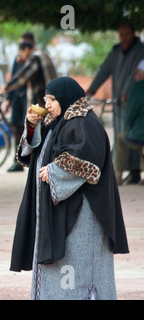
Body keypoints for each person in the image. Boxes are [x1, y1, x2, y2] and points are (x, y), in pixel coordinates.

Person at [10, 77, 129, 299]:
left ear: (65, 98)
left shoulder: (84, 123)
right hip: (62, 213)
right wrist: (31, 125)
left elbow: (87, 161)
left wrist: (54, 171)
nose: (47, 105)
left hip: (82, 218)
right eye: (46, 100)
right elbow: (34, 152)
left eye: (52, 100)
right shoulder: (61, 122)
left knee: (79, 276)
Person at [86, 22, 144, 184]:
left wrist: (128, 93)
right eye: (121, 35)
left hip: (133, 101)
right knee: (122, 131)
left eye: (127, 34)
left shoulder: (141, 51)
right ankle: (128, 171)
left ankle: (134, 171)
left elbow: (137, 75)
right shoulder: (116, 52)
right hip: (119, 102)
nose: (124, 38)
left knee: (129, 133)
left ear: (134, 34)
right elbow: (104, 71)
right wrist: (91, 89)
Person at [6, 32, 35, 172]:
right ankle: (17, 159)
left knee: (28, 128)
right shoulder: (17, 61)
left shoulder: (35, 60)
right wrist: (8, 98)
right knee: (16, 128)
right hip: (17, 98)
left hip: (30, 99)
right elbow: (14, 79)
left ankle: (29, 159)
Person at [113, 59, 144, 185]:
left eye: (137, 73)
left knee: (121, 139)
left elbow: (130, 115)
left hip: (140, 133)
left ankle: (117, 175)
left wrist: (131, 127)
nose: (135, 76)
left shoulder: (138, 87)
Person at [0, 41, 57, 107]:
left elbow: (22, 77)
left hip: (45, 98)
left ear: (26, 49)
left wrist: (6, 87)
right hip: (52, 95)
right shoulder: (42, 54)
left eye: (21, 54)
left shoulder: (35, 57)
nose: (21, 57)